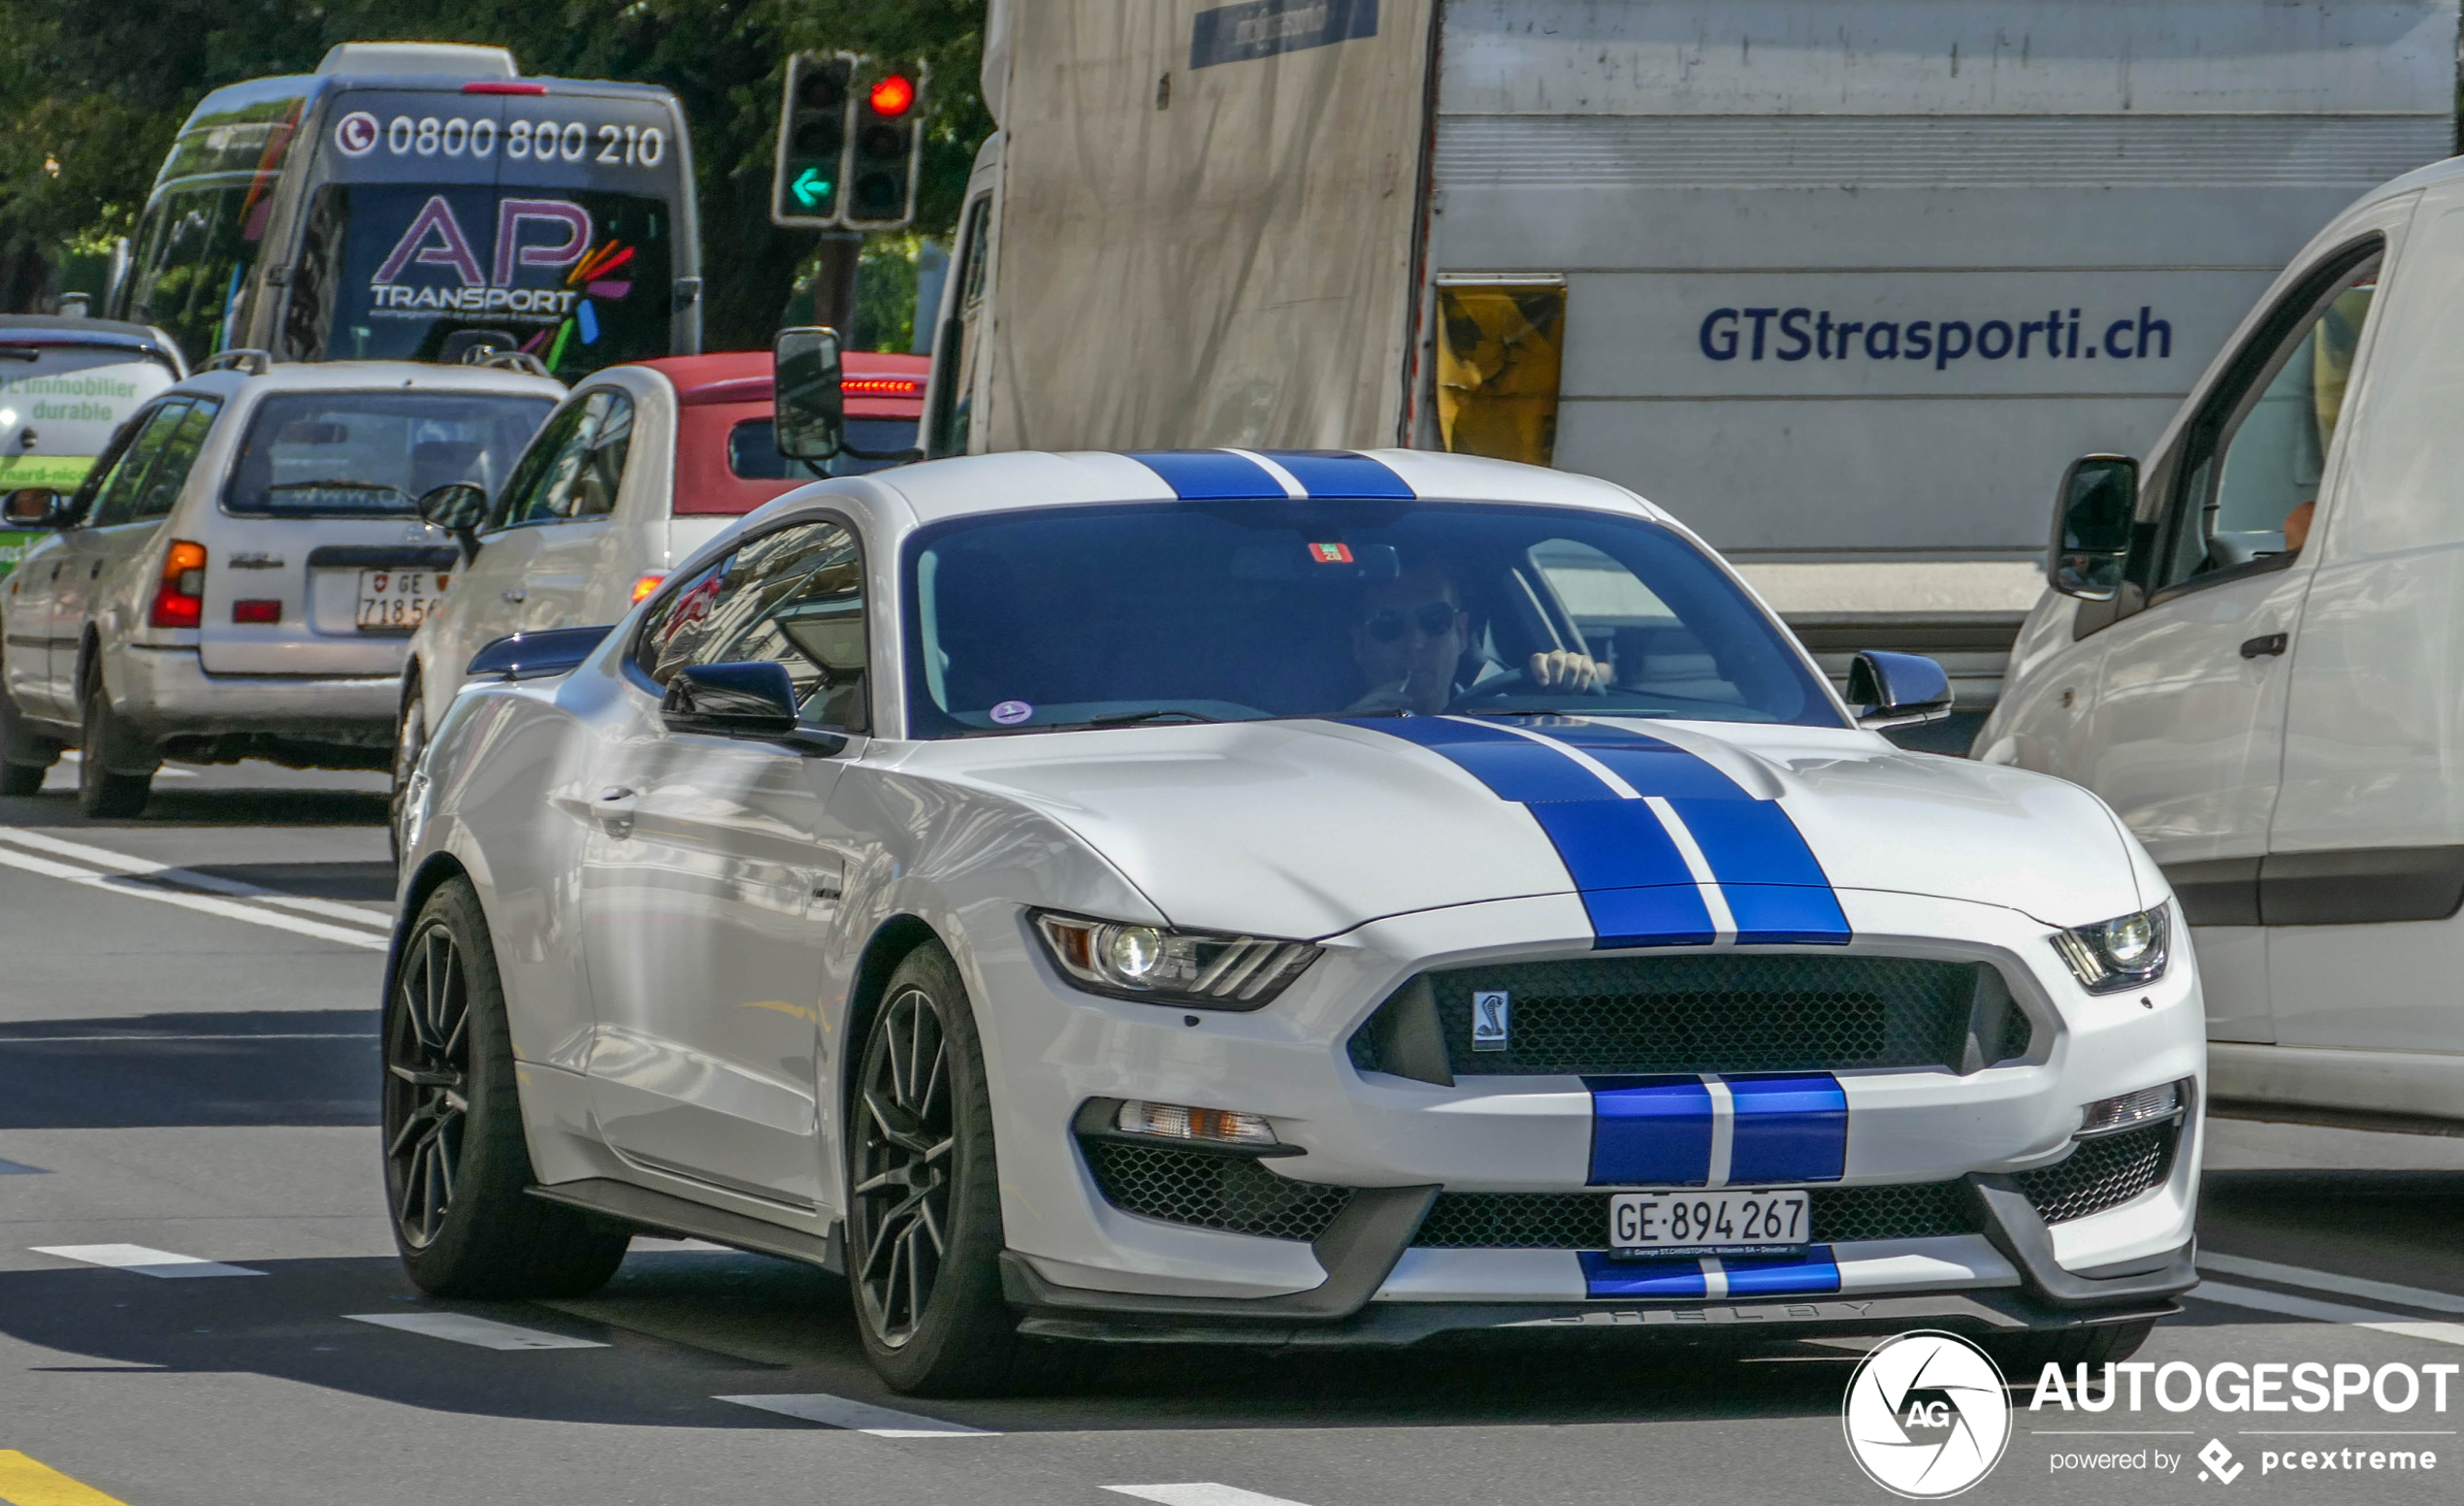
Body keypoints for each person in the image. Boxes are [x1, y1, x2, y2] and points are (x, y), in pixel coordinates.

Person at [1345, 555, 1601, 716]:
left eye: (1434, 620)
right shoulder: (1327, 739)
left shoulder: (1511, 715)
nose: (1415, 643)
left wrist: (1567, 685)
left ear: (1461, 632)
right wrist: (1350, 736)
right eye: (1388, 624)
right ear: (1359, 645)